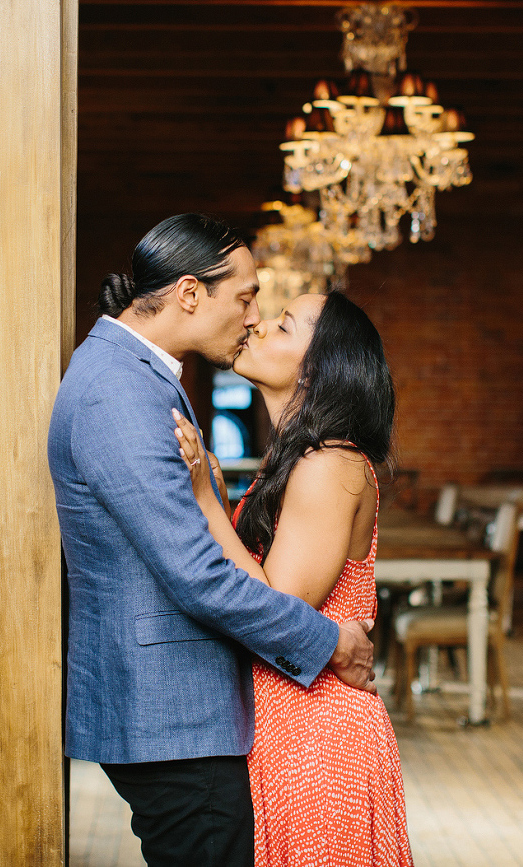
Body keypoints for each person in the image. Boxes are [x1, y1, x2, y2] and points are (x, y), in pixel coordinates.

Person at [48, 214, 377, 867]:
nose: (253, 315)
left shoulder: (140, 377)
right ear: (191, 294)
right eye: (248, 296)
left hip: (204, 714)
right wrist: (330, 640)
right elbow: (198, 572)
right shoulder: (119, 388)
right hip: (171, 715)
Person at [173, 291, 414, 866]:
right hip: (290, 724)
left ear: (318, 369)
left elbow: (273, 606)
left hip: (320, 735)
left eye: (282, 326)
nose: (256, 328)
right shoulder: (300, 457)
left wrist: (206, 500)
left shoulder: (329, 462)